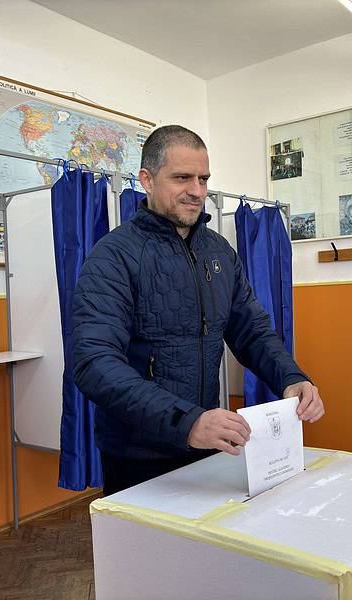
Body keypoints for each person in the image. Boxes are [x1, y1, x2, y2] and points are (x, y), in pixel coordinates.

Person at [72, 125, 324, 495]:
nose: (197, 191)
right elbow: (94, 362)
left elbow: (251, 329)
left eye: (203, 179)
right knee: (147, 554)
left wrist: (292, 377)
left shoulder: (218, 252)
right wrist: (185, 420)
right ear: (147, 179)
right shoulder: (114, 256)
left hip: (205, 441)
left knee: (201, 550)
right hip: (138, 454)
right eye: (181, 178)